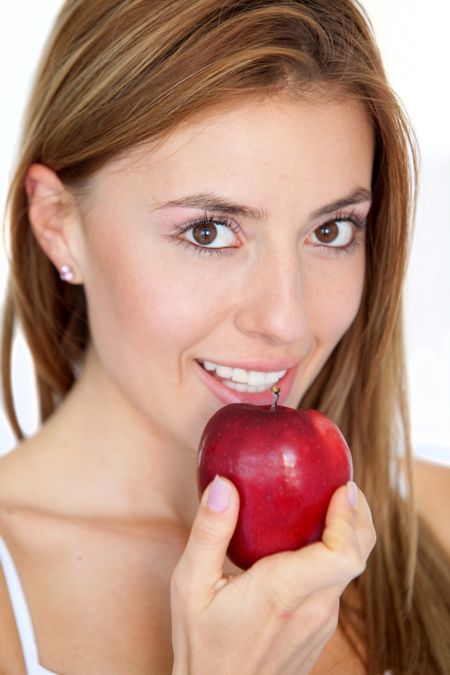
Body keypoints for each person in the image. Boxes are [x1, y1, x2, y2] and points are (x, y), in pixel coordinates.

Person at [0, 0, 449, 673]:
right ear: (58, 221)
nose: (288, 321)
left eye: (331, 231)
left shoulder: (438, 523)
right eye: (208, 231)